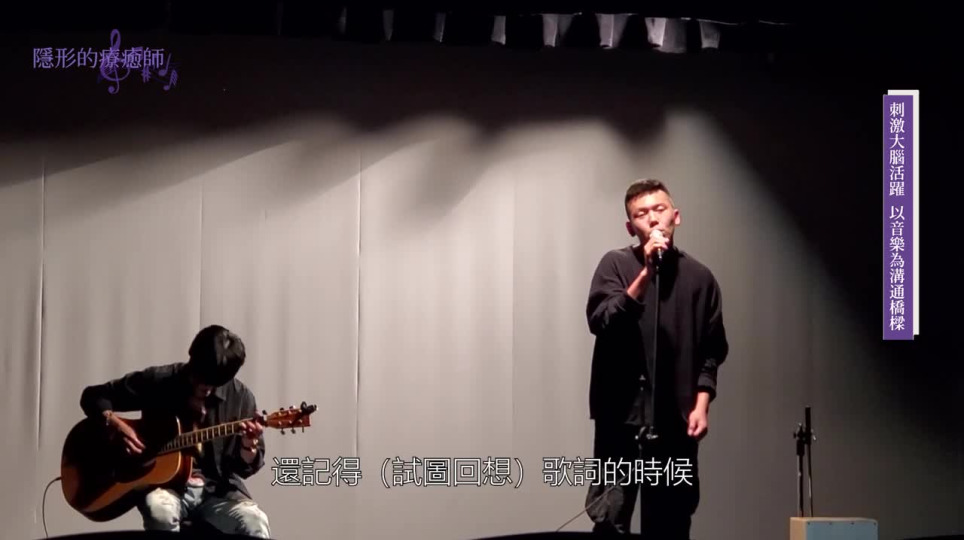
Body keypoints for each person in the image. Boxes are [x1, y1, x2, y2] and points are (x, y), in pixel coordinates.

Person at [584, 179, 728, 538]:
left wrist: (701, 405)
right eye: (641, 214)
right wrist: (646, 274)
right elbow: (601, 321)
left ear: (675, 217)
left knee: (671, 522)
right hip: (620, 418)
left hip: (674, 422)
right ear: (630, 227)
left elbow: (712, 350)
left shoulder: (701, 278)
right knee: (610, 518)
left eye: (659, 210)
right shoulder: (615, 264)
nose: (652, 219)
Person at [80, 324, 271, 538]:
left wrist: (248, 447)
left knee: (255, 522)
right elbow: (94, 396)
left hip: (218, 491)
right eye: (201, 379)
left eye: (214, 384)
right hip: (165, 488)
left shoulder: (241, 397)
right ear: (192, 359)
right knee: (159, 511)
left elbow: (245, 467)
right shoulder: (159, 381)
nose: (206, 389)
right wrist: (116, 425)